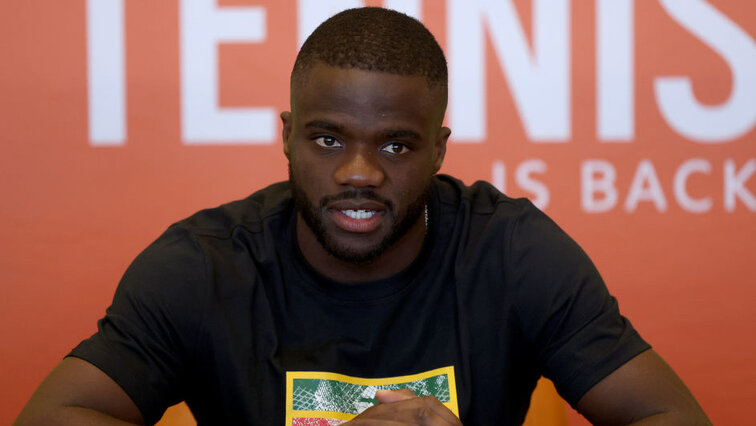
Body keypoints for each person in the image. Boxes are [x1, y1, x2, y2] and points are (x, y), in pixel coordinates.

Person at [16, 7, 710, 426]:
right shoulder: (205, 265)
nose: (359, 173)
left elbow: (670, 414)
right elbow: (55, 415)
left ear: (438, 150)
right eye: (327, 138)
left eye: (396, 145)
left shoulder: (510, 252)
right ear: (286, 135)